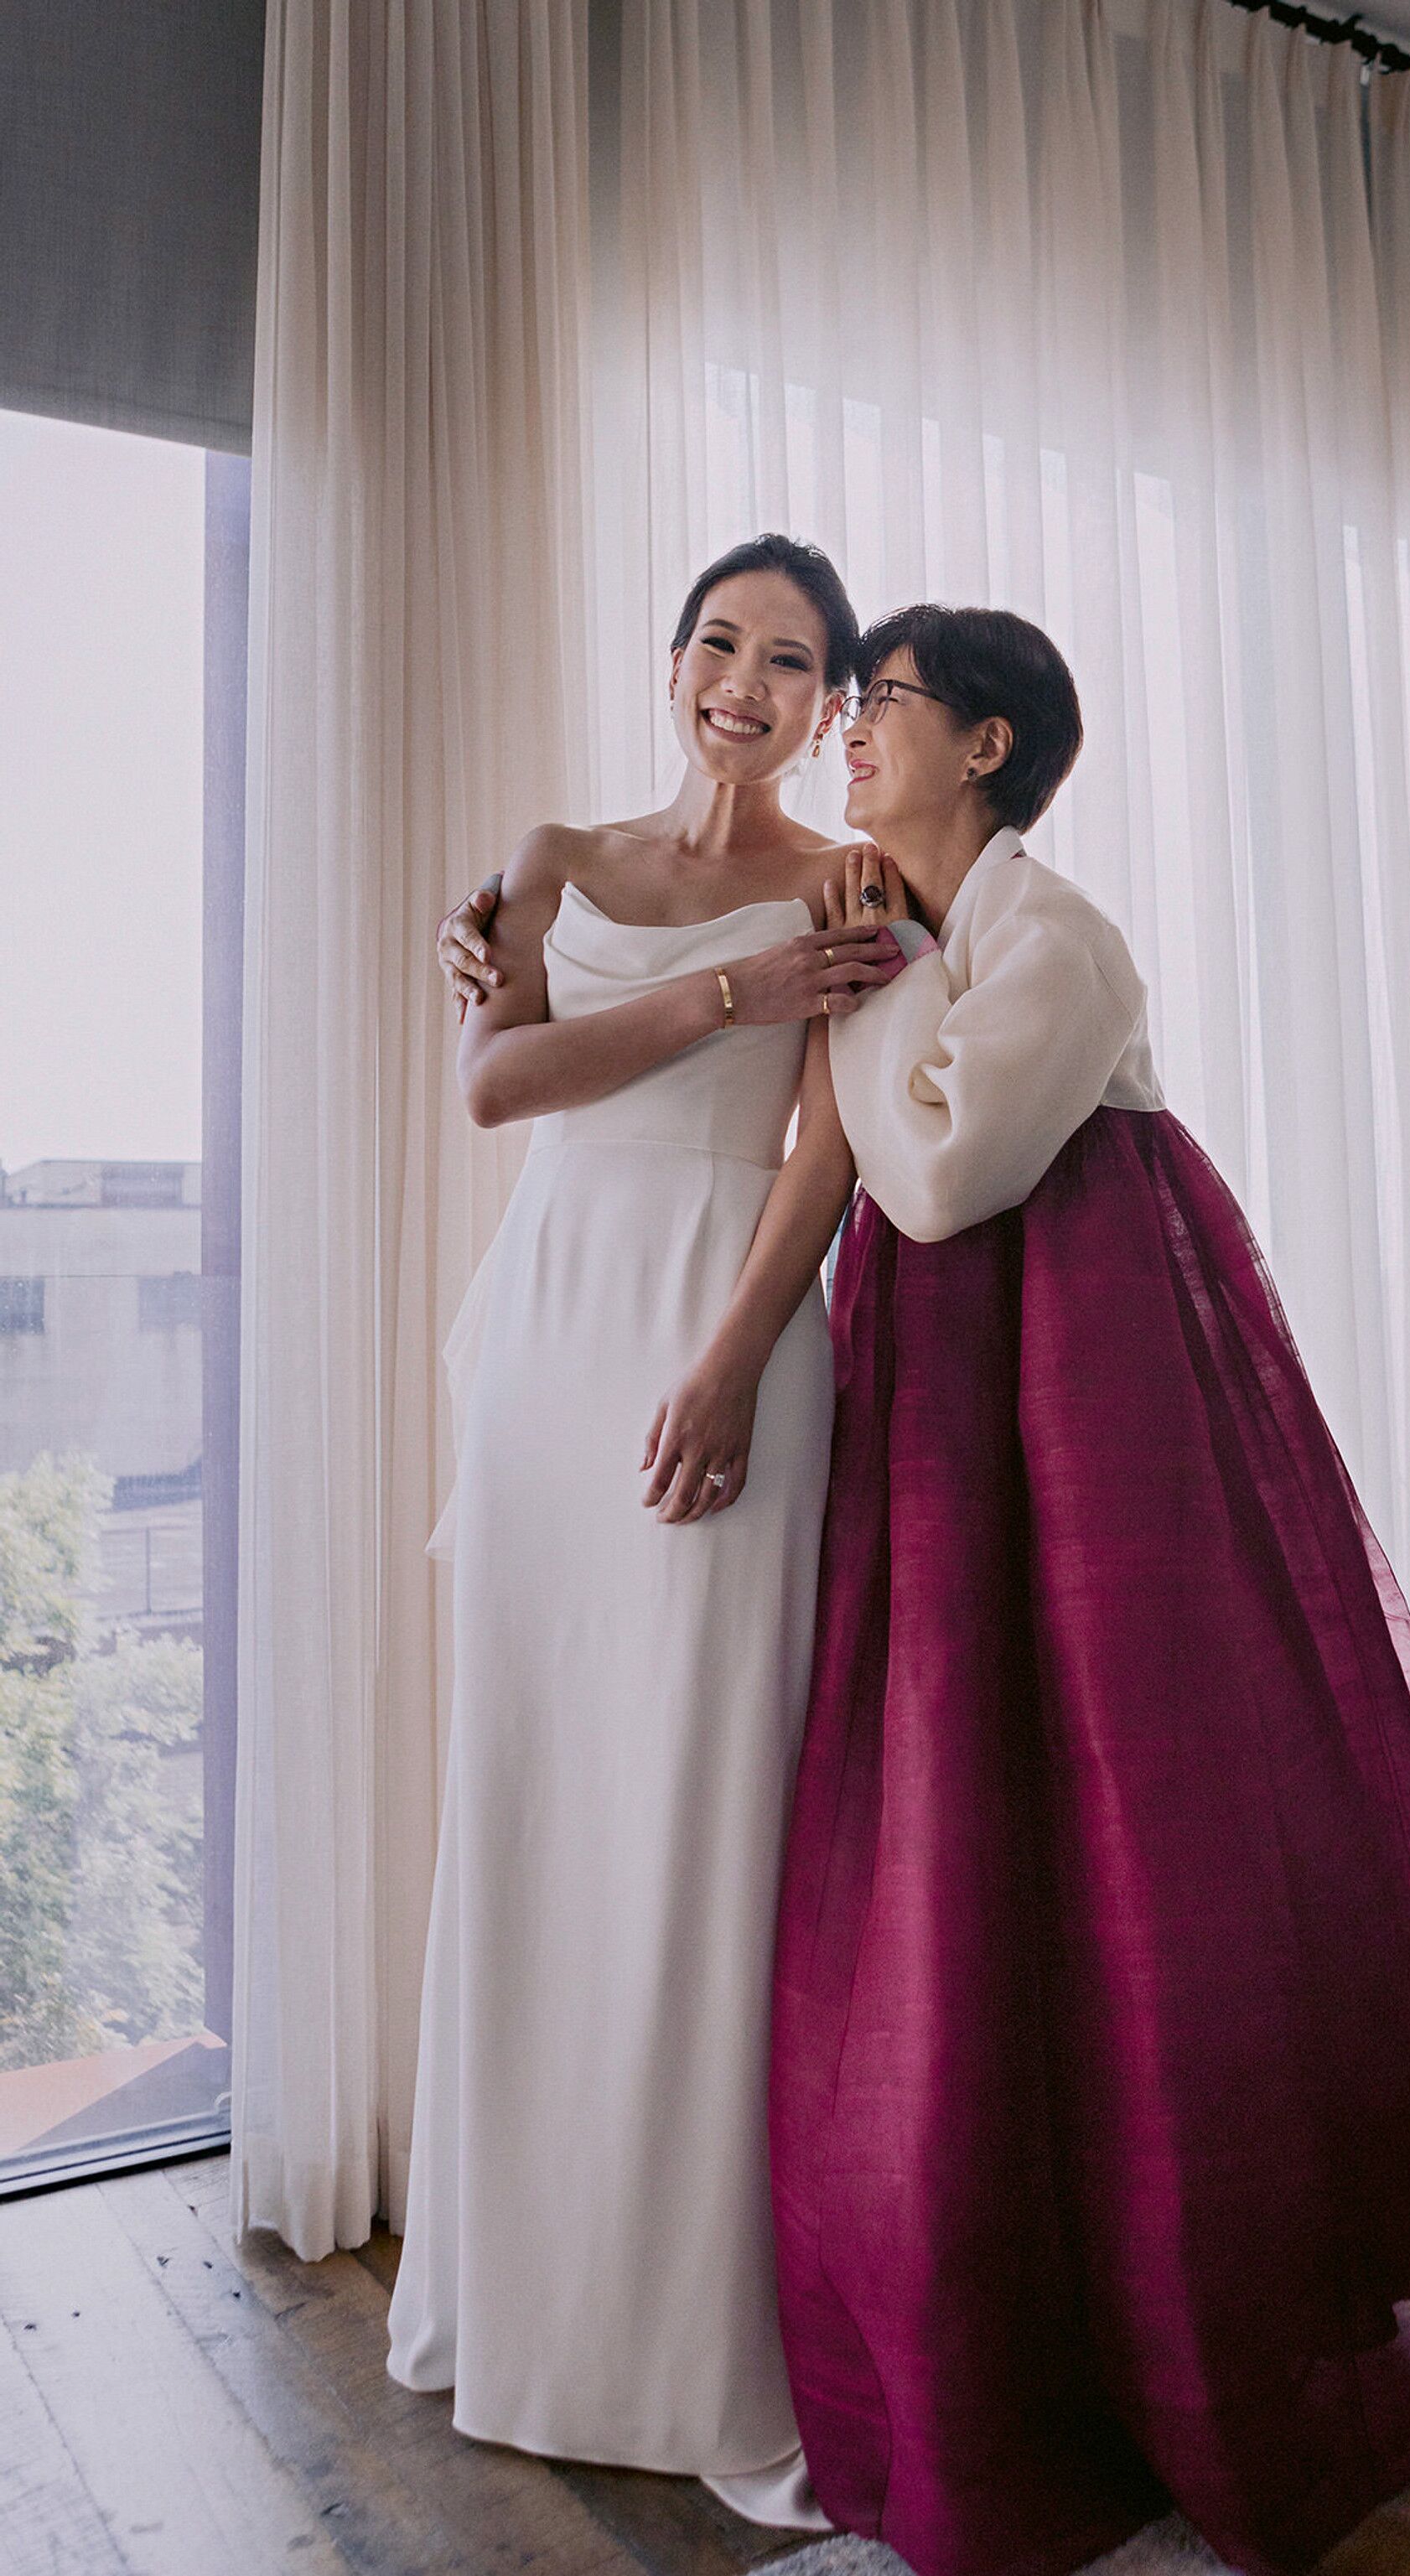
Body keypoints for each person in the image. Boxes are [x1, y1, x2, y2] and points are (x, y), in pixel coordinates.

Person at [772, 605, 1410, 2576]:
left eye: (887, 706)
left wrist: (864, 977)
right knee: (969, 1834)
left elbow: (940, 1182)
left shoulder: (1057, 934)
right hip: (962, 1409)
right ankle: (1017, 2325)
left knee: (1134, 1840)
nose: (851, 733)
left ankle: (1186, 2326)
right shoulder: (947, 935)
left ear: (990, 744)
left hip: (1085, 1407)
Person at [387, 532, 903, 2532]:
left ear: (826, 702)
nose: (742, 685)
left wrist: (740, 1350)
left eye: (790, 663)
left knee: (700, 1825)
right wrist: (730, 990)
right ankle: (519, 2305)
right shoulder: (549, 856)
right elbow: (496, 1082)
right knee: (533, 1800)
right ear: (672, 655)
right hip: (546, 1343)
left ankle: (694, 2347)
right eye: (718, 642)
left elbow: (832, 1148)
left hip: (726, 1336)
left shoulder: (851, 882)